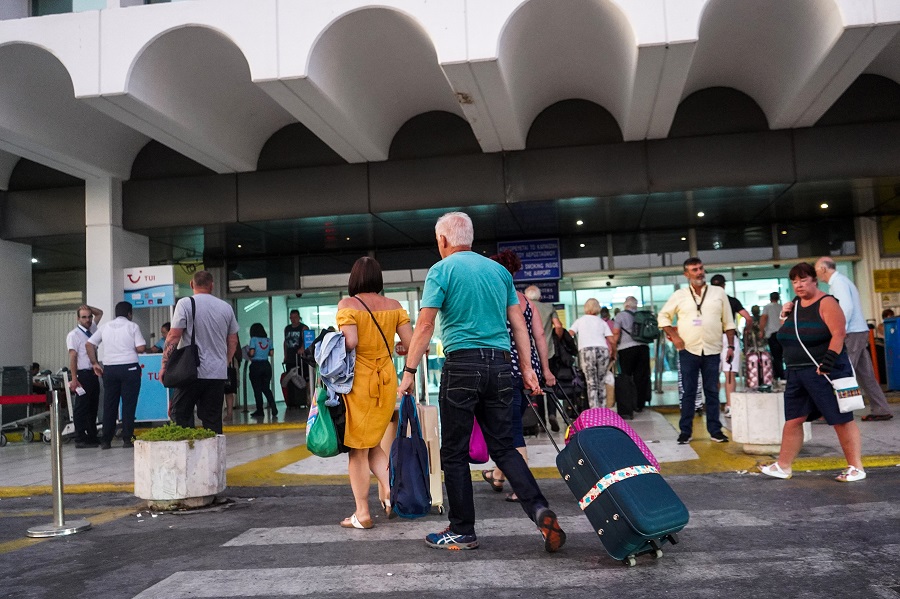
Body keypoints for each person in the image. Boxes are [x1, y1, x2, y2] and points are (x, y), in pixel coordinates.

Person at [397, 211, 566, 553]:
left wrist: (409, 372)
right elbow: (518, 324)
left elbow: (426, 326)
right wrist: (527, 368)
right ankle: (538, 508)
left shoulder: (441, 270)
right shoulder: (499, 272)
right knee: (503, 446)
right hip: (502, 367)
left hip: (462, 366)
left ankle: (462, 529)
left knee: (455, 452)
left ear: (443, 240)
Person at [759, 262, 866, 482]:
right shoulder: (794, 305)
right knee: (794, 419)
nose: (799, 285)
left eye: (803, 280)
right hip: (797, 373)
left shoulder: (827, 303)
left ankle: (856, 467)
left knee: (841, 418)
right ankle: (783, 465)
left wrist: (828, 362)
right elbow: (787, 334)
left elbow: (839, 333)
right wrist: (784, 315)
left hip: (825, 371)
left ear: (814, 280)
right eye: (795, 281)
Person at [334, 257, 413, 529]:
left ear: (354, 278)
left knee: (357, 450)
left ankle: (362, 512)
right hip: (387, 379)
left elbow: (351, 341)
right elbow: (410, 344)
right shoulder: (394, 306)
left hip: (360, 382)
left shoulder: (348, 305)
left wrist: (330, 345)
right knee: (373, 443)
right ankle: (390, 490)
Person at [482, 252, 555, 503]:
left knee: (511, 429)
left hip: (504, 368)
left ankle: (523, 488)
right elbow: (540, 338)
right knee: (510, 424)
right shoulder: (526, 301)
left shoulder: (494, 298)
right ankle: (499, 476)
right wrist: (544, 370)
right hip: (529, 369)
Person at [658, 257, 735, 444]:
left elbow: (728, 321)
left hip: (712, 349)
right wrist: (674, 337)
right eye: (694, 270)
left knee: (712, 391)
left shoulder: (718, 293)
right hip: (688, 350)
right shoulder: (680, 295)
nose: (699, 272)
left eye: (701, 268)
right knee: (688, 392)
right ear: (687, 274)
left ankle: (715, 431)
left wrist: (730, 345)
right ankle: (685, 431)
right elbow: (663, 316)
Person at [160, 270, 239, 435]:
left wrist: (164, 365)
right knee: (213, 420)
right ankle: (213, 459)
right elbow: (233, 341)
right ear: (212, 285)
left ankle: (185, 455)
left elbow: (174, 336)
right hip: (216, 374)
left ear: (191, 284)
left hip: (191, 372)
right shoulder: (226, 307)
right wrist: (224, 362)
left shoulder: (185, 303)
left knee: (179, 416)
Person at [814, 257, 893, 422]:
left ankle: (831, 412)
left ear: (823, 268)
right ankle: (881, 409)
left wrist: (839, 330)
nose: (816, 275)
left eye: (816, 270)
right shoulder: (842, 281)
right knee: (865, 375)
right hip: (857, 330)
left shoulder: (838, 283)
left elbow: (846, 307)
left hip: (851, 332)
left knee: (839, 371)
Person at [85, 301, 145, 449]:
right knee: (128, 405)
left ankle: (106, 440)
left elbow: (89, 344)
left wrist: (95, 363)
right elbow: (141, 347)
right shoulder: (132, 326)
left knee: (110, 405)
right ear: (129, 314)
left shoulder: (106, 326)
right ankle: (127, 439)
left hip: (110, 369)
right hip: (130, 369)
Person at [710, 274, 753, 418]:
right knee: (729, 375)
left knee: (712, 374)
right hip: (730, 339)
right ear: (724, 285)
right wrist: (746, 330)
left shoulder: (708, 302)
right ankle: (729, 406)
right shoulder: (732, 301)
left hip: (712, 338)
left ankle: (714, 406)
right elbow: (747, 317)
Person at [524, 285, 563, 431]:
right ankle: (552, 413)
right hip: (548, 351)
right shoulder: (549, 307)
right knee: (550, 384)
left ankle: (541, 422)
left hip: (530, 352)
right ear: (540, 296)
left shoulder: (525, 306)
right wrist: (555, 340)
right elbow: (558, 327)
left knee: (536, 387)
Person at [65, 304, 103, 448]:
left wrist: (88, 307)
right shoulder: (74, 335)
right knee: (82, 407)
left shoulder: (92, 330)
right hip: (82, 373)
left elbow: (100, 312)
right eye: (84, 317)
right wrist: (74, 378)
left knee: (93, 406)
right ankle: (80, 437)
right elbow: (73, 357)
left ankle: (92, 435)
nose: (87, 320)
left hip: (93, 373)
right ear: (78, 319)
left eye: (89, 317)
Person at [569, 299, 615, 409]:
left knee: (591, 383)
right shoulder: (602, 322)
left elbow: (569, 334)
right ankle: (603, 411)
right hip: (602, 351)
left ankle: (594, 411)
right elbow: (612, 340)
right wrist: (614, 353)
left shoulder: (580, 321)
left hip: (586, 351)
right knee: (601, 382)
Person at [613, 296, 652, 412]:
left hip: (626, 349)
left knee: (626, 377)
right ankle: (640, 404)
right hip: (643, 348)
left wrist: (613, 349)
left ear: (626, 305)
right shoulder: (642, 315)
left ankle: (628, 405)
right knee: (641, 376)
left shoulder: (620, 316)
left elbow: (616, 333)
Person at [248, 323, 277, 419]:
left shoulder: (253, 340)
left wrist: (248, 353)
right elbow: (271, 353)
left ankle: (260, 410)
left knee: (257, 389)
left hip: (256, 365)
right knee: (266, 388)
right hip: (266, 365)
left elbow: (252, 353)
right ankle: (273, 407)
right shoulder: (268, 340)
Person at [283, 309, 310, 408]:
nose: (293, 320)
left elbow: (308, 340)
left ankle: (307, 398)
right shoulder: (287, 328)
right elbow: (285, 342)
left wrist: (302, 348)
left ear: (299, 317)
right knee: (291, 380)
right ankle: (294, 401)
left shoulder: (303, 328)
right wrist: (285, 355)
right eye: (292, 318)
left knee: (304, 379)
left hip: (301, 359)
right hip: (290, 358)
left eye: (295, 317)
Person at [760, 292, 785, 383]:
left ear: (770, 298)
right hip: (782, 334)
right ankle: (780, 374)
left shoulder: (767, 307)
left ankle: (779, 375)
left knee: (775, 355)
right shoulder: (781, 307)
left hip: (772, 334)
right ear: (778, 298)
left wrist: (761, 330)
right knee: (781, 355)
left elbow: (764, 318)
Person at [223, 334, 241, 423]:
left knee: (228, 391)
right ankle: (229, 413)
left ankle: (229, 413)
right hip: (229, 365)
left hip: (229, 365)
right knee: (228, 392)